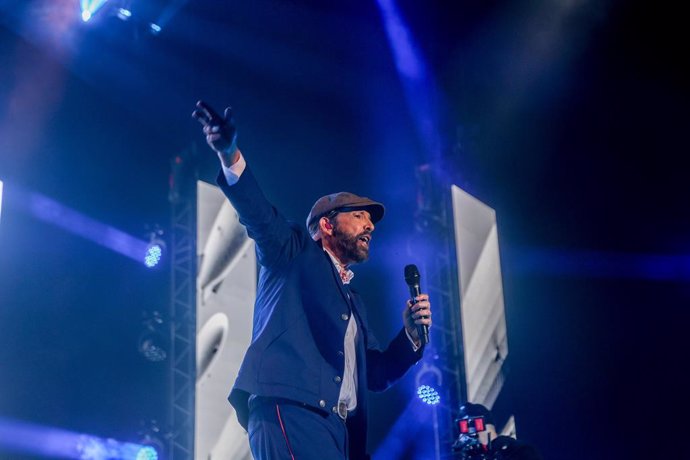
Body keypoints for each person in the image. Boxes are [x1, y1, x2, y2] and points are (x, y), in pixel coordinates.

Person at [192, 101, 432, 460]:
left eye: (371, 222)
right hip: (292, 408)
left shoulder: (354, 303)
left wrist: (411, 336)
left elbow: (376, 374)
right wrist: (230, 155)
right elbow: (258, 215)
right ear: (326, 224)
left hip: (338, 432)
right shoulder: (293, 251)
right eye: (360, 217)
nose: (369, 226)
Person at [454, 402, 542, 460]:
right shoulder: (472, 456)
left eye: (464, 427)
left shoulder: (518, 450)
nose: (462, 434)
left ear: (477, 423)